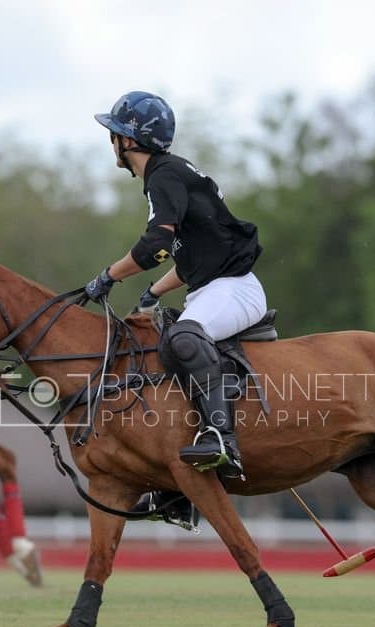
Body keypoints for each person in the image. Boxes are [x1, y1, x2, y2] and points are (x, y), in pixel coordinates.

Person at [84, 91, 265, 516]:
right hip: (214, 284)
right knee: (160, 351)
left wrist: (108, 276)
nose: (110, 142)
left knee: (182, 339)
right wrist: (153, 293)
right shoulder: (170, 174)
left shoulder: (163, 177)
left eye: (114, 134)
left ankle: (223, 440)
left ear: (128, 141)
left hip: (234, 287)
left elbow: (156, 246)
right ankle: (180, 490)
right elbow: (190, 257)